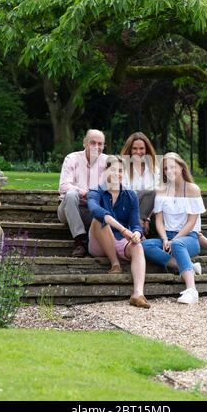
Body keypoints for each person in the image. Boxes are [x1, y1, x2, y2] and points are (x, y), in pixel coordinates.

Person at [121, 132, 207, 255]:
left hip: (152, 214)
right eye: (135, 148)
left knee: (156, 196)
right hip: (130, 213)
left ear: (147, 150)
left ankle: (203, 245)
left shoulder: (155, 169)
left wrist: (147, 218)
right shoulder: (123, 168)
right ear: (129, 150)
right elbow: (124, 197)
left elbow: (159, 197)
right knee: (145, 193)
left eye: (142, 148)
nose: (138, 152)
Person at [87, 155, 150, 309]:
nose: (117, 174)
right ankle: (115, 264)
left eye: (120, 170)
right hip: (99, 243)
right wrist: (123, 229)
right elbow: (96, 211)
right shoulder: (95, 191)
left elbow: (136, 224)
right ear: (105, 171)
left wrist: (136, 233)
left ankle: (138, 294)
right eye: (113, 169)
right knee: (99, 220)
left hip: (121, 242)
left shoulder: (130, 195)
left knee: (138, 246)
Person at [142, 152, 205, 304]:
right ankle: (187, 265)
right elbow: (159, 220)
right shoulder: (162, 190)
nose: (169, 171)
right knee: (144, 245)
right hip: (167, 237)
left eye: (172, 167)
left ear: (181, 167)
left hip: (189, 237)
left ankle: (192, 291)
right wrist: (164, 238)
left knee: (177, 244)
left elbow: (191, 222)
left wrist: (174, 240)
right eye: (165, 169)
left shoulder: (193, 189)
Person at [58, 129, 107, 257]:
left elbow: (113, 189)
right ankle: (80, 242)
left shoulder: (108, 162)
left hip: (93, 210)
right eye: (93, 143)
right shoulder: (72, 158)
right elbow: (63, 186)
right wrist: (85, 193)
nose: (96, 147)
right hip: (69, 209)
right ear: (85, 143)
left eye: (100, 144)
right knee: (71, 194)